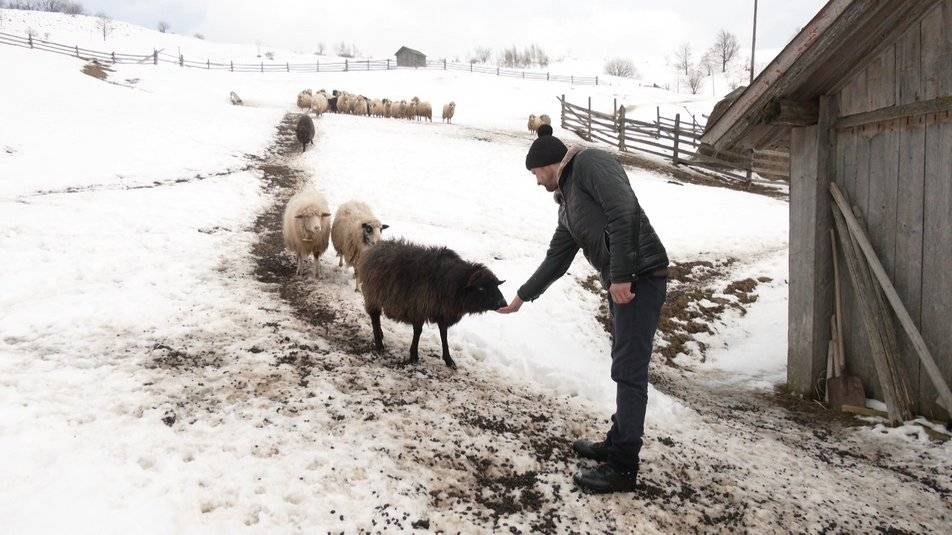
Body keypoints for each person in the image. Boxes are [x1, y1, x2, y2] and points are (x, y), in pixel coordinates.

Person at [498, 129, 669, 493]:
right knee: (623, 364)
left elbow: (625, 211)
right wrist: (521, 297)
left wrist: (621, 275)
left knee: (630, 370)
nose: (536, 181)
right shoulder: (569, 204)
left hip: (640, 276)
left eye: (535, 173)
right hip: (624, 280)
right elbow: (556, 260)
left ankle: (623, 467)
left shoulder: (591, 163)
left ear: (546, 165)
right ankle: (617, 440)